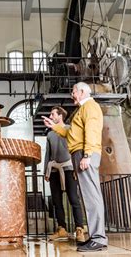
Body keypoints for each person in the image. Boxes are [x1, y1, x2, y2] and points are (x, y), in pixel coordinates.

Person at [43, 82, 108, 252]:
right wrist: (54, 127)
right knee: (88, 196)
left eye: (73, 91)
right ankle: (95, 237)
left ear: (82, 92)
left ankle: (99, 238)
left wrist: (87, 155)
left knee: (91, 196)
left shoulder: (90, 107)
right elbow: (71, 134)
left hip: (84, 153)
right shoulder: (81, 110)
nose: (72, 94)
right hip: (79, 152)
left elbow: (92, 131)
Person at [44, 106, 85, 242]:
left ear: (60, 115)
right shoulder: (50, 134)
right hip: (54, 169)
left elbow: (75, 148)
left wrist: (76, 168)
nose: (50, 116)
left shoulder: (69, 129)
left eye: (52, 114)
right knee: (56, 201)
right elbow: (48, 154)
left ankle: (79, 228)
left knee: (74, 198)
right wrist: (46, 171)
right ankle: (62, 229)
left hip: (69, 168)